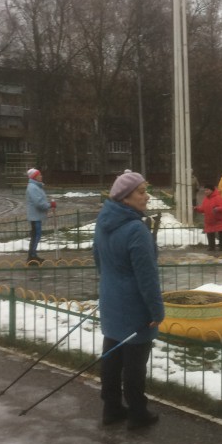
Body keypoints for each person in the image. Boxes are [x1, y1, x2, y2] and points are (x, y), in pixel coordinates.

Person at [93, 171, 166, 430]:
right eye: (141, 192)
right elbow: (147, 278)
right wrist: (157, 311)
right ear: (125, 198)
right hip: (134, 306)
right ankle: (137, 412)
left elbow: (98, 261)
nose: (146, 197)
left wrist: (112, 287)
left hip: (111, 300)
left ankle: (111, 408)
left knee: (112, 356)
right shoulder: (136, 229)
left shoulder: (104, 221)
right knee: (135, 364)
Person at [25, 168, 55, 265]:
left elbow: (40, 200)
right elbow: (38, 203)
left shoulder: (36, 187)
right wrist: (50, 205)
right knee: (36, 236)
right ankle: (31, 257)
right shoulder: (33, 187)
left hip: (36, 216)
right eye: (39, 175)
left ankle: (33, 255)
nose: (41, 176)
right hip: (35, 217)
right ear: (34, 177)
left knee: (36, 235)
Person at [193, 183, 222, 251]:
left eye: (207, 190)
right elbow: (203, 209)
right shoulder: (206, 199)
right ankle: (211, 247)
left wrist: (217, 209)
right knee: (210, 232)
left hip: (220, 219)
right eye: (205, 190)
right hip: (210, 219)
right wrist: (197, 208)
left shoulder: (218, 197)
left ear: (212, 190)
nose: (206, 192)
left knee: (221, 232)